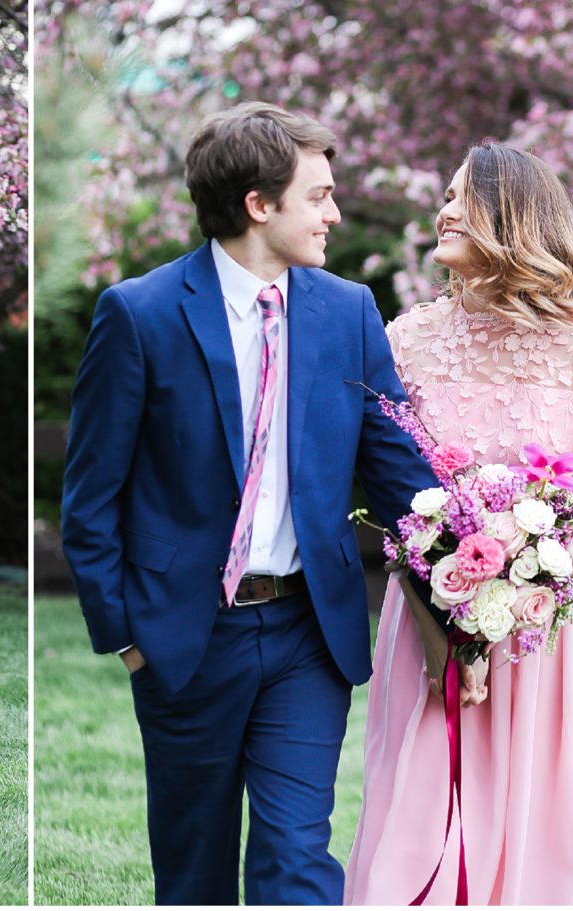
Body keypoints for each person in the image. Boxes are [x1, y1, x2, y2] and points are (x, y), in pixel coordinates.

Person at [61, 103, 436, 905]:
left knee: (297, 859)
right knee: (194, 874)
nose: (335, 213)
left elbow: (400, 474)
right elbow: (91, 497)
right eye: (320, 195)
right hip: (185, 635)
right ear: (259, 205)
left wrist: (480, 571)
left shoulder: (349, 311)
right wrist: (127, 637)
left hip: (309, 631)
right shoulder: (140, 313)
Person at [345, 142, 573, 904]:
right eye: (443, 195)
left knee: (546, 812)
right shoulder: (405, 338)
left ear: (514, 215)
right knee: (419, 794)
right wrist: (446, 590)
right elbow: (386, 480)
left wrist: (534, 567)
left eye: (460, 197)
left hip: (548, 631)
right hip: (426, 608)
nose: (441, 210)